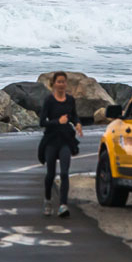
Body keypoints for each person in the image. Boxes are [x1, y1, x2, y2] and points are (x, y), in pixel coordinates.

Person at [38, 71, 82, 217]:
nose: (61, 85)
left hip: (65, 140)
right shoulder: (49, 100)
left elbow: (74, 115)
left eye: (63, 82)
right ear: (54, 84)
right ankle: (48, 201)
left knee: (64, 173)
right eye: (59, 82)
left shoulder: (70, 100)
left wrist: (77, 124)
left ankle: (63, 205)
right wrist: (57, 121)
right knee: (50, 174)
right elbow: (42, 122)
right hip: (51, 140)